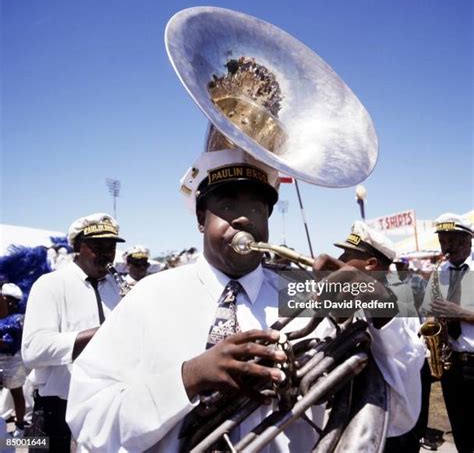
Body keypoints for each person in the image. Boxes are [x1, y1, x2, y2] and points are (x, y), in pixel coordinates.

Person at [66, 149, 423, 452]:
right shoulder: (150, 297)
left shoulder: (304, 294)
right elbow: (88, 420)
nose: (243, 217)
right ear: (201, 220)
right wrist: (188, 378)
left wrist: (382, 308)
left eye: (257, 207)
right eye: (226, 204)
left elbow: (400, 414)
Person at [21, 213, 125, 452]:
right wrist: (101, 333)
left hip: (108, 405)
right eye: (97, 245)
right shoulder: (50, 285)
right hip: (56, 409)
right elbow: (32, 350)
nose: (106, 253)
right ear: (78, 246)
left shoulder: (118, 287)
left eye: (111, 246)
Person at [331, 223, 424, 453]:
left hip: (390, 431)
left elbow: (406, 356)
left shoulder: (400, 303)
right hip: (352, 428)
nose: (339, 259)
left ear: (371, 264)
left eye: (347, 255)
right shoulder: (348, 297)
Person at [420, 213, 474, 453]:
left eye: (452, 241)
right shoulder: (438, 273)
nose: (446, 248)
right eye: (442, 242)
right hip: (452, 365)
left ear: (468, 240)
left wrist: (460, 312)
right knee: (462, 431)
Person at [0, 282, 27, 438]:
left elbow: (12, 343)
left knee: (16, 394)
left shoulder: (17, 320)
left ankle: (20, 425)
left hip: (13, 361)